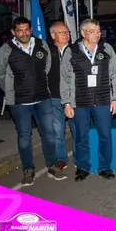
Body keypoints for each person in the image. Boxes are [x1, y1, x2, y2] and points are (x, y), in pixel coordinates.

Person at [0, 17, 61, 186]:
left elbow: (47, 67)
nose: (24, 33)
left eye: (27, 30)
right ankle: (28, 169)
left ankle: (52, 165)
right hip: (19, 102)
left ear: (31, 30)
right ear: (13, 32)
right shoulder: (5, 50)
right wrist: (11, 89)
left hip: (43, 98)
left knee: (49, 134)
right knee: (24, 137)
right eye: (20, 30)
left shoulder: (41, 45)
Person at [61, 19, 116, 182]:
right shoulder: (72, 51)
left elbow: (115, 74)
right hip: (79, 102)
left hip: (103, 100)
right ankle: (82, 167)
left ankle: (105, 167)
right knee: (81, 136)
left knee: (105, 135)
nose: (97, 34)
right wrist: (67, 102)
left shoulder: (106, 48)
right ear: (83, 33)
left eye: (98, 31)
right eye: (92, 31)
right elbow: (65, 78)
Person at [47, 21, 76, 171]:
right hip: (54, 97)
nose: (66, 35)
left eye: (67, 32)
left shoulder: (76, 51)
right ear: (53, 35)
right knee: (58, 130)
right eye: (62, 32)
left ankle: (79, 158)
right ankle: (61, 158)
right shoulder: (46, 52)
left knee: (76, 129)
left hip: (73, 97)